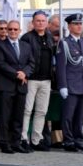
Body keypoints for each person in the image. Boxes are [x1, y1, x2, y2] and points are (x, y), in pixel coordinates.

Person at [0, 20, 33, 154]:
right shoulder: (0, 45)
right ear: (6, 31)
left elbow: (32, 63)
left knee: (18, 116)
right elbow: (0, 64)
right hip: (6, 85)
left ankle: (16, 142)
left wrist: (25, 73)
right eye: (10, 29)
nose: (13, 32)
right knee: (5, 116)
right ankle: (5, 143)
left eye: (16, 29)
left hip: (21, 86)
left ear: (20, 31)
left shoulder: (26, 46)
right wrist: (17, 74)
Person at [56, 14, 83, 152]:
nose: (79, 26)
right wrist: (63, 86)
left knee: (80, 116)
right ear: (69, 26)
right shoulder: (64, 43)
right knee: (68, 116)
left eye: (80, 24)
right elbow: (61, 66)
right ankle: (68, 141)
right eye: (75, 24)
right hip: (70, 85)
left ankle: (79, 140)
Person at [21, 11, 55, 151]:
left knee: (41, 111)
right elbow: (22, 58)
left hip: (46, 80)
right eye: (38, 20)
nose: (40, 23)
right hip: (31, 79)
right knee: (27, 110)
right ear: (33, 22)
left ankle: (37, 139)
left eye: (43, 21)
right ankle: (24, 139)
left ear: (46, 23)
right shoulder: (27, 37)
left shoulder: (50, 37)